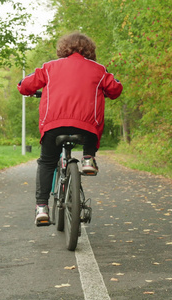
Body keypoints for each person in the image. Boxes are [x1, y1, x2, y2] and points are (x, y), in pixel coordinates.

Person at [17, 32, 123, 225]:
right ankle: (88, 158)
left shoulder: (49, 68)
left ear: (63, 48)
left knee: (47, 162)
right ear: (90, 50)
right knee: (91, 123)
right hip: (86, 127)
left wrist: (23, 85)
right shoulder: (98, 70)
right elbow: (115, 89)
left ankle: (42, 208)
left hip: (54, 125)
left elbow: (25, 87)